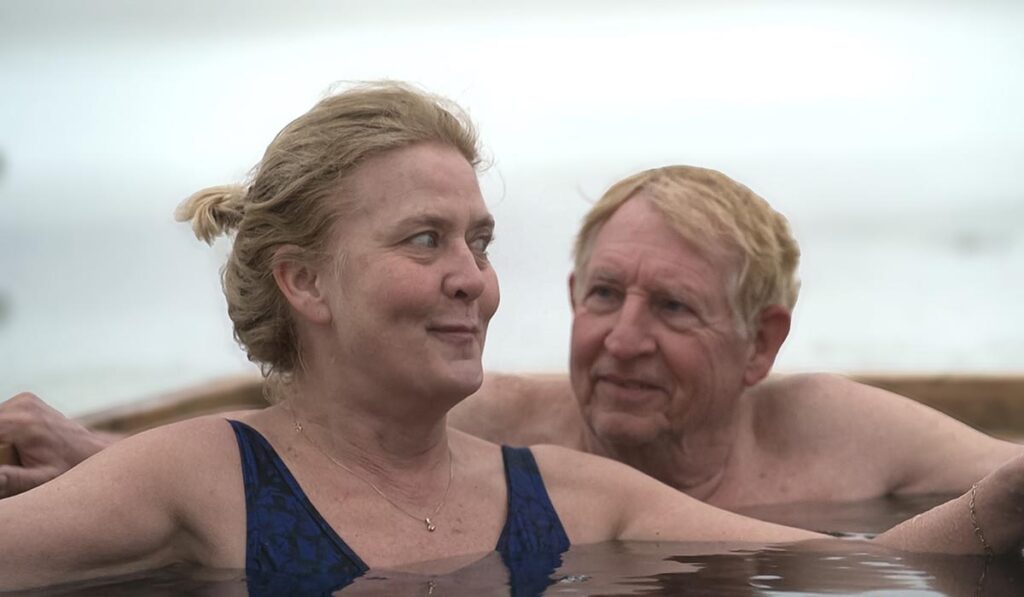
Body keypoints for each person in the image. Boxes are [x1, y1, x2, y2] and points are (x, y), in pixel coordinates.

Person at [0, 81, 1021, 594]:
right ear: (305, 281)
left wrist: (1004, 500)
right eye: (424, 239)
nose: (473, 278)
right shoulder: (202, 474)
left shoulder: (563, 489)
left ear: (761, 346)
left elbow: (857, 563)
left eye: (479, 241)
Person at [3, 164, 1019, 516]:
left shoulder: (833, 430)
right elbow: (288, 454)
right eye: (603, 295)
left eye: (671, 309)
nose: (620, 340)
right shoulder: (506, 424)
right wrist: (98, 458)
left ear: (760, 346)